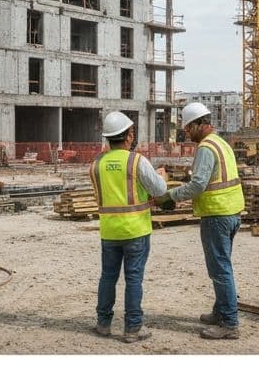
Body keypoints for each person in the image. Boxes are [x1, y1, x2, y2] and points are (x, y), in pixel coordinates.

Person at [159, 102, 244, 340]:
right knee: (222, 265)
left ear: (198, 124)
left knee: (220, 269)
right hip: (232, 212)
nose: (186, 132)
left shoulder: (206, 147)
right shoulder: (222, 143)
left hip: (217, 214)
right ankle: (220, 312)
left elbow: (198, 184)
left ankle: (229, 323)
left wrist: (170, 195)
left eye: (188, 127)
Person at [90, 111, 168, 343]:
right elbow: (160, 190)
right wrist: (159, 177)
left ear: (108, 138)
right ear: (128, 136)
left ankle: (103, 324)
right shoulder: (137, 161)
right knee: (133, 279)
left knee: (108, 277)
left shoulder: (96, 164)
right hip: (136, 230)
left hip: (109, 231)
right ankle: (132, 328)